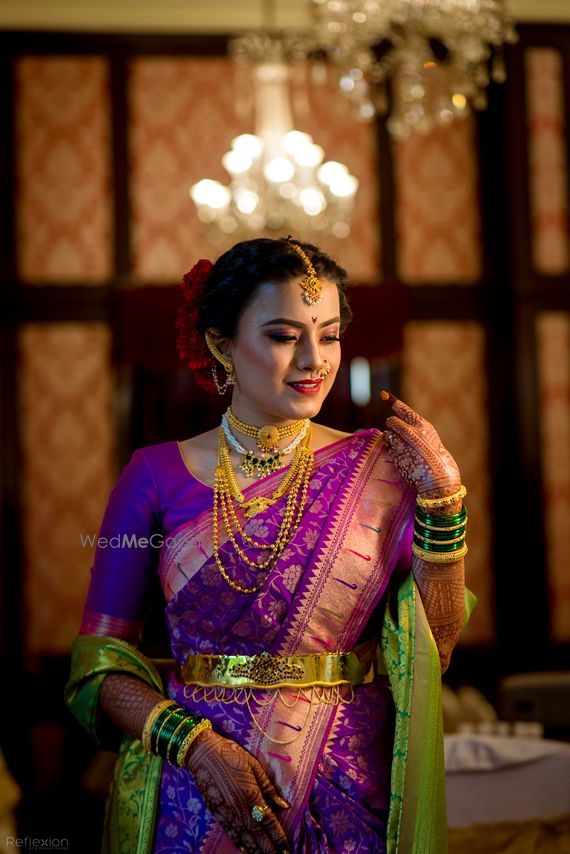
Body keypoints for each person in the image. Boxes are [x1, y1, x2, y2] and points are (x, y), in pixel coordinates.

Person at [65, 237, 474, 854]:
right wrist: (195, 747)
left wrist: (443, 506)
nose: (314, 359)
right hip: (196, 791)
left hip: (350, 789)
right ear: (220, 343)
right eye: (284, 335)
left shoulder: (382, 471)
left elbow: (433, 649)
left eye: (330, 335)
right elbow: (99, 668)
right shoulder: (152, 476)